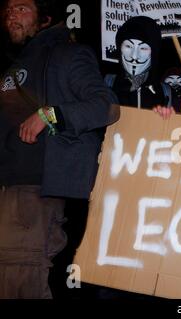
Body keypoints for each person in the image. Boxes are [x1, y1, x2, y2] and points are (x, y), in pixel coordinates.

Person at [0, 0, 119, 298]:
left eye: (23, 7)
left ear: (45, 19)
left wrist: (49, 115)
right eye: (9, 8)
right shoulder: (13, 65)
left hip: (33, 192)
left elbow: (107, 107)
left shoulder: (68, 54)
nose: (12, 12)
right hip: (7, 190)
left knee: (20, 283)